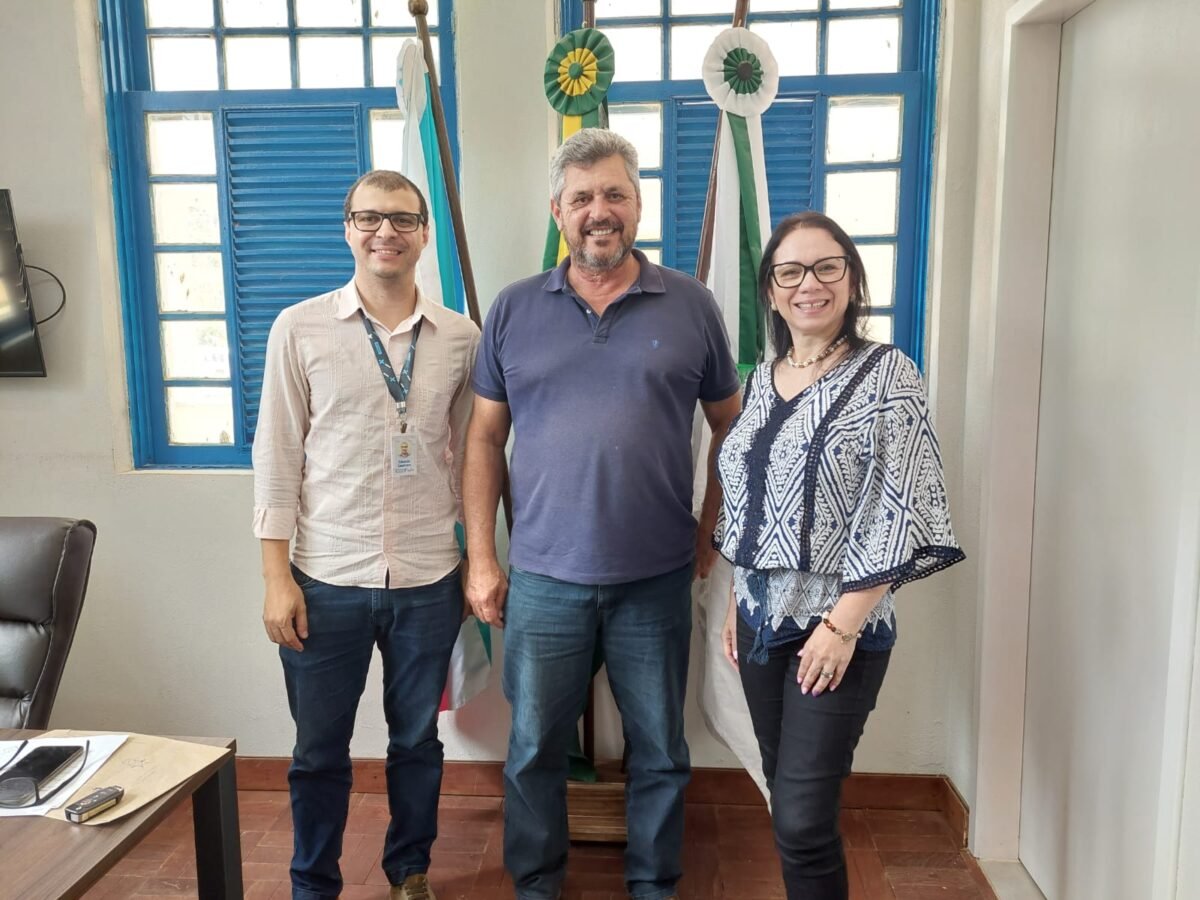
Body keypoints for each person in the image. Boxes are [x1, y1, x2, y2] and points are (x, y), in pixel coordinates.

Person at [462, 128, 742, 900]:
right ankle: (537, 886)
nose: (599, 210)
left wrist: (711, 529)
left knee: (660, 750)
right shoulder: (514, 309)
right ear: (557, 210)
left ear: (639, 205)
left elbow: (732, 427)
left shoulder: (692, 306)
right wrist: (482, 558)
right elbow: (483, 437)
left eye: (615, 193)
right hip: (543, 579)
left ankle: (653, 885)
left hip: (656, 578)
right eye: (582, 197)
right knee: (532, 750)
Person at [715, 212, 965, 899]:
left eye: (827, 267)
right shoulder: (760, 380)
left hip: (838, 627)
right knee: (786, 798)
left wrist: (841, 626)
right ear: (771, 292)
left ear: (852, 279)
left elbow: (899, 504)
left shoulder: (889, 374)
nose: (810, 284)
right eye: (790, 271)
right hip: (759, 622)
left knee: (801, 819)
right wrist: (738, 600)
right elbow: (746, 499)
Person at [253, 170, 479, 900]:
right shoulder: (299, 328)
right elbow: (277, 454)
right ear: (347, 228)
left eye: (403, 219)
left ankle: (409, 871)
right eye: (370, 218)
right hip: (325, 578)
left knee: (416, 741)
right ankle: (312, 883)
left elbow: (475, 458)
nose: (387, 231)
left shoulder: (460, 338)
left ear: (424, 233)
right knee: (318, 751)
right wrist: (276, 577)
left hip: (428, 577)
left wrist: (478, 560)